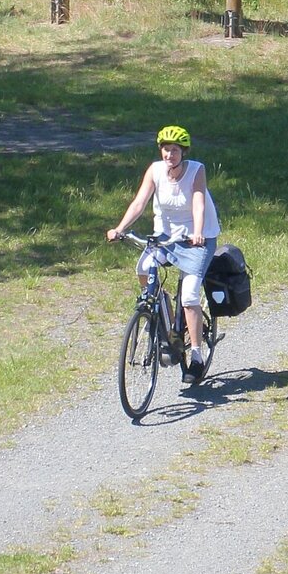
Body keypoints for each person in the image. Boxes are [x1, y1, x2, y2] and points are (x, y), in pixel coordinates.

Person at [106, 125, 221, 383]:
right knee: (143, 268)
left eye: (175, 150)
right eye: (166, 150)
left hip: (195, 239)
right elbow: (139, 202)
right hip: (166, 237)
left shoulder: (196, 171)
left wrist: (199, 232)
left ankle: (197, 356)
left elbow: (199, 202)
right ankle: (166, 321)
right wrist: (120, 228)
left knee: (190, 296)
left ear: (183, 152)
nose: (170, 155)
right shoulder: (155, 171)